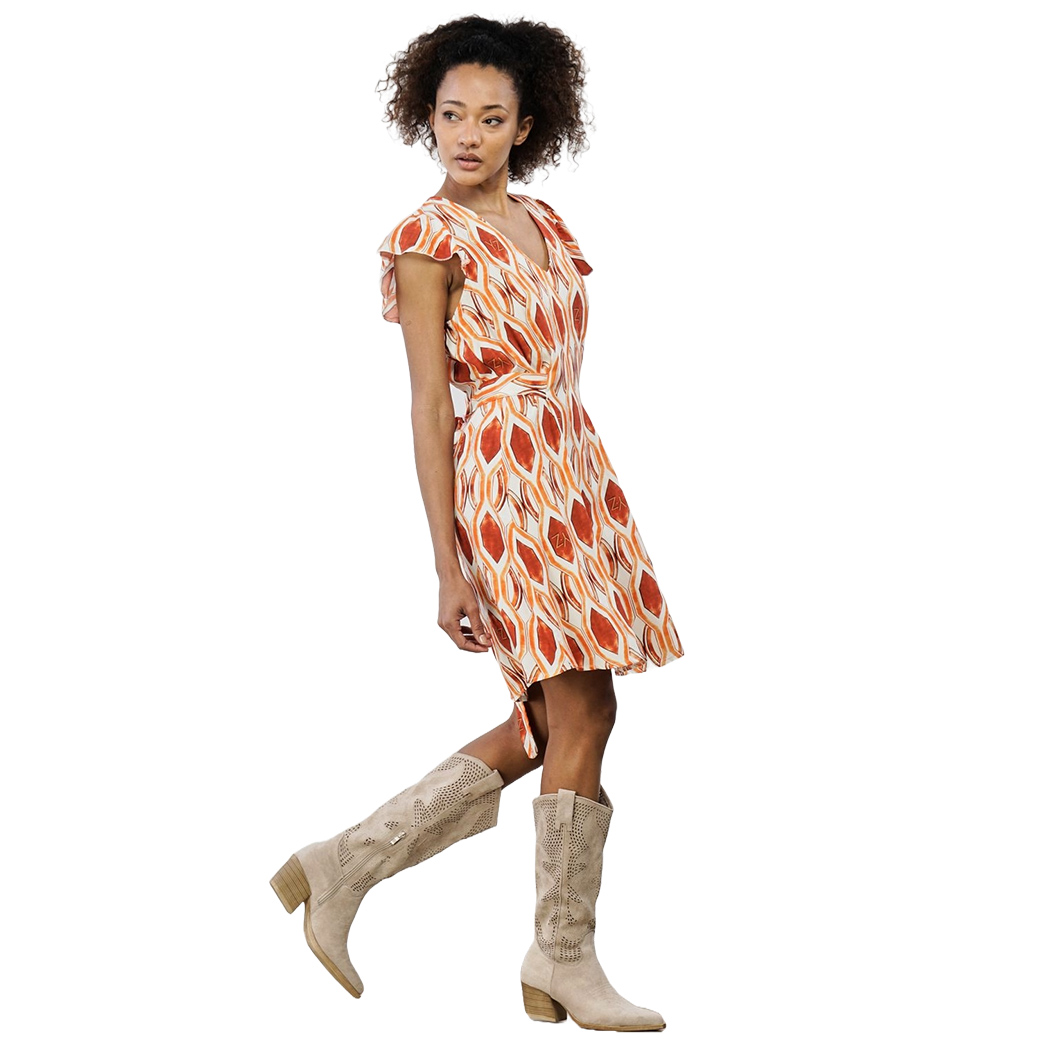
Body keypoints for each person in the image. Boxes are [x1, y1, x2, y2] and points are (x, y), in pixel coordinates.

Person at [270, 16, 683, 1033]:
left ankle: (344, 865)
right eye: (451, 114)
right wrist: (447, 563)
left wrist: (583, 487)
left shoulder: (544, 223)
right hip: (504, 481)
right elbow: (427, 404)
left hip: (574, 470)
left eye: (491, 118)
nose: (468, 134)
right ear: (427, 117)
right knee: (583, 712)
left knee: (549, 723)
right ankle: (561, 955)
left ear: (526, 126)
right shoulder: (427, 239)